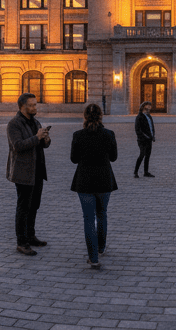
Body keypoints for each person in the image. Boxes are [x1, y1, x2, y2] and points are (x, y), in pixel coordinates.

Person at [70, 103, 117, 270]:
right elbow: (113, 157)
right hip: (104, 180)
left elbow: (74, 159)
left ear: (84, 116)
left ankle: (93, 258)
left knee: (89, 219)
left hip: (85, 181)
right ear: (101, 116)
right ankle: (101, 247)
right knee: (102, 214)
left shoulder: (78, 135)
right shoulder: (109, 134)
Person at [6, 93, 52, 255]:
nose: (34, 108)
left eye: (35, 105)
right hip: (23, 171)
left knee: (34, 206)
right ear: (22, 106)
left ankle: (31, 236)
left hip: (37, 171)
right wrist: (36, 137)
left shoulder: (36, 122)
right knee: (23, 207)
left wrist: (45, 139)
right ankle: (21, 242)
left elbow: (41, 143)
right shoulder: (14, 124)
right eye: (31, 105)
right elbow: (17, 145)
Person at [133, 101, 156, 178]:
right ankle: (135, 172)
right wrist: (143, 137)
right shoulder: (139, 117)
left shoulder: (149, 116)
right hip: (142, 140)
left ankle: (146, 172)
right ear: (143, 107)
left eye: (150, 106)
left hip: (149, 139)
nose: (150, 107)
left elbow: (151, 127)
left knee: (147, 156)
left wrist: (153, 136)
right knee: (142, 154)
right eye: (148, 105)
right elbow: (137, 130)